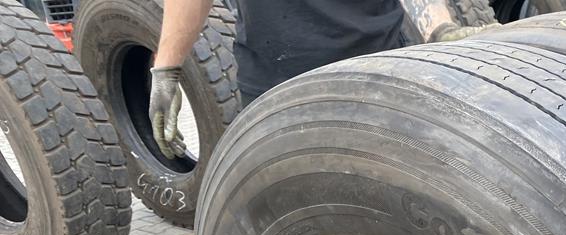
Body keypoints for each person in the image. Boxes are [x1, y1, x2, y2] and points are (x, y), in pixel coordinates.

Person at [149, 0, 494, 159]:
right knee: (292, 226)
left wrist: (438, 26)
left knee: (405, 216)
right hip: (277, 92)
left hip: (380, 71)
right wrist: (166, 70)